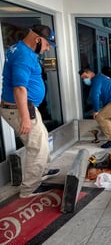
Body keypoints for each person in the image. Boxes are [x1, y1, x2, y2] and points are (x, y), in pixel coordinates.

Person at [0, 24, 60, 198]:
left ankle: (41, 171)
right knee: (37, 148)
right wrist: (25, 118)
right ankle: (30, 188)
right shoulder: (23, 56)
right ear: (38, 39)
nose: (48, 48)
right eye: (48, 44)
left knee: (42, 140)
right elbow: (19, 88)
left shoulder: (20, 49)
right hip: (20, 109)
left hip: (25, 107)